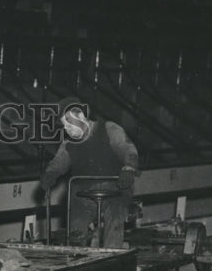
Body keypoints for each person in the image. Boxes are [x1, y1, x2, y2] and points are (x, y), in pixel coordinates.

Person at [38, 97, 140, 247]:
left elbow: (128, 150)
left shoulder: (109, 129)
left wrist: (129, 168)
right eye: (64, 126)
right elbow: (59, 161)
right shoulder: (69, 143)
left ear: (81, 116)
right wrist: (50, 173)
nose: (67, 129)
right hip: (82, 192)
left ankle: (113, 255)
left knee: (115, 216)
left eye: (69, 124)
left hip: (114, 188)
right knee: (76, 227)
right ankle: (77, 256)